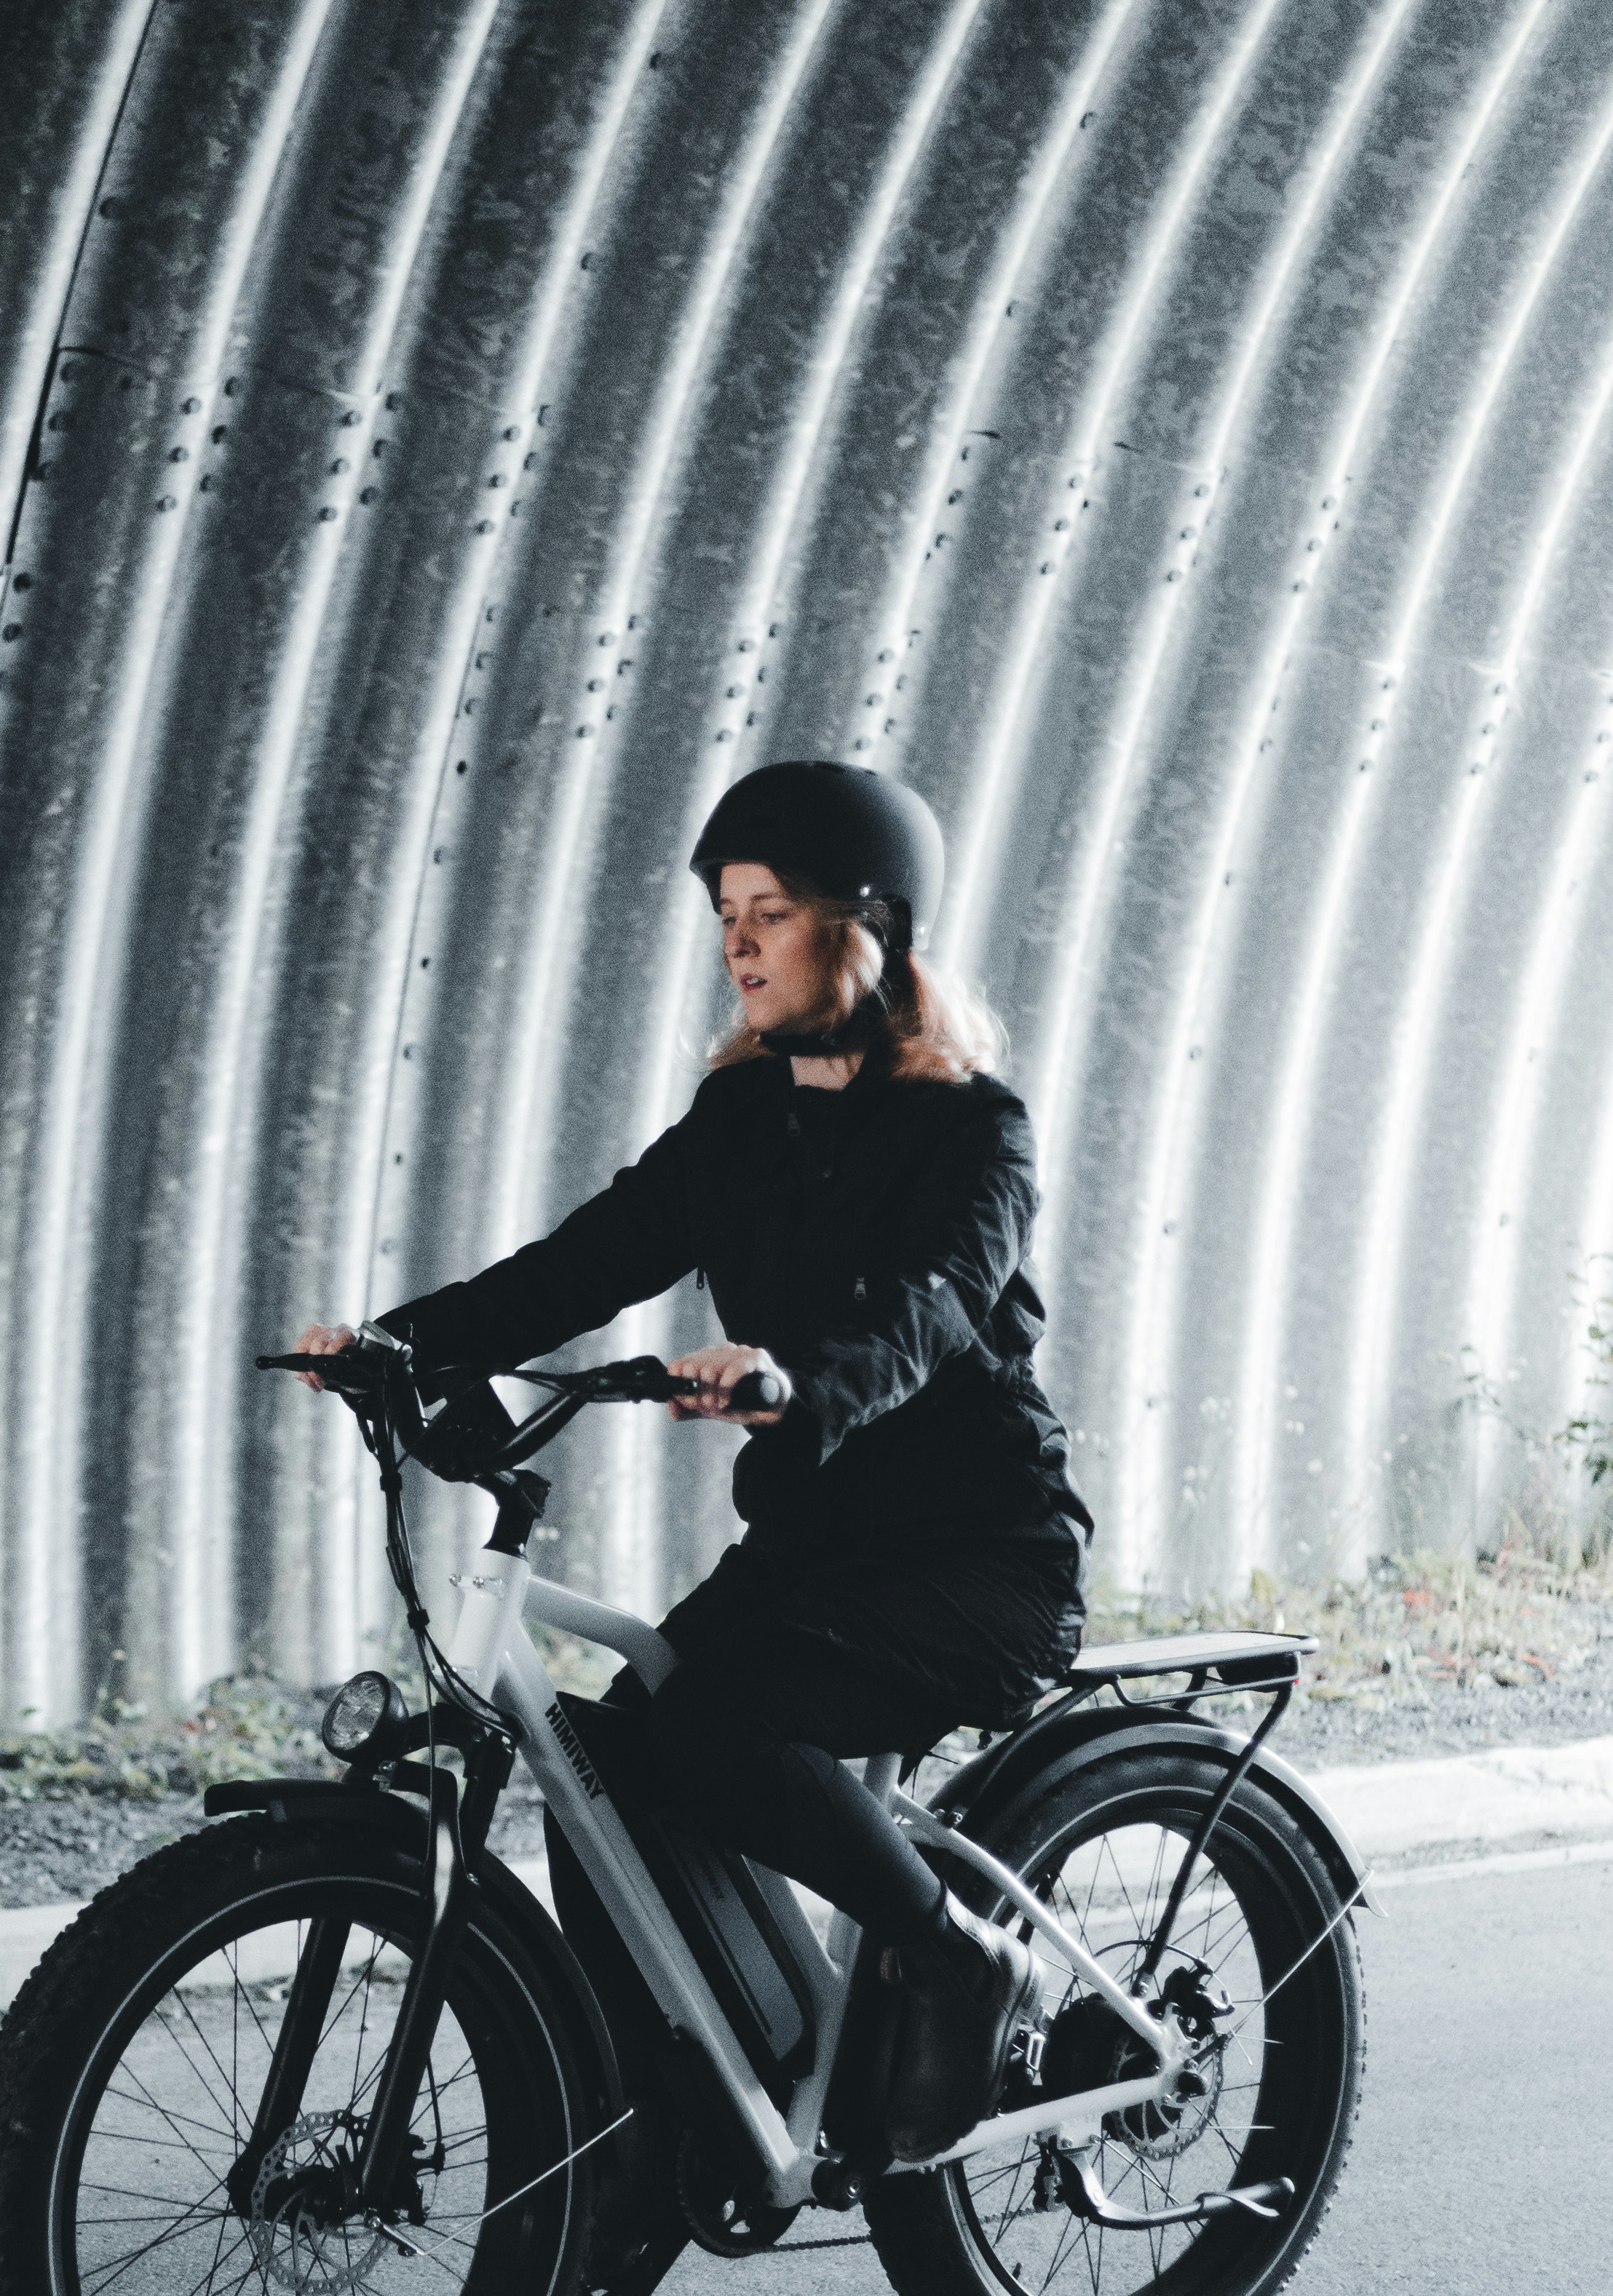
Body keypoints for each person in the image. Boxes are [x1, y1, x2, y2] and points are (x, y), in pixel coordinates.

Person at [290, 757, 1093, 2164]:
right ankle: (677, 2092)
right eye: (727, 911)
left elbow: (931, 1304)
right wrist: (396, 1346)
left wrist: (802, 1384)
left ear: (870, 927)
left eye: (770, 911)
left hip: (974, 1559)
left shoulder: (977, 1134)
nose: (735, 941)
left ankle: (961, 1958)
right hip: (814, 1551)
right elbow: (581, 1267)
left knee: (714, 1728)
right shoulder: (742, 1123)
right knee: (610, 1754)